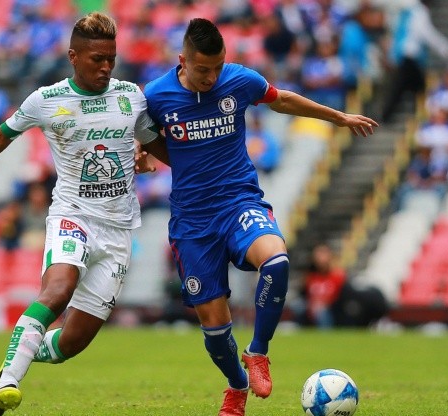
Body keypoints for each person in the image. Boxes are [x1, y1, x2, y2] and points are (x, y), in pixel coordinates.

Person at [0, 12, 159, 416]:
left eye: (111, 57)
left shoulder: (131, 96)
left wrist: (152, 155)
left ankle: (15, 354)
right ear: (73, 56)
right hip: (72, 215)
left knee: (71, 344)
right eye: (97, 59)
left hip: (119, 228)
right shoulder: (47, 100)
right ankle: (8, 381)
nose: (106, 66)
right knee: (57, 291)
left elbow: (154, 142)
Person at [142, 18, 377, 416]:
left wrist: (338, 118)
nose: (212, 77)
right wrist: (146, 155)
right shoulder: (156, 96)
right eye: (203, 70)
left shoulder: (238, 80)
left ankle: (259, 352)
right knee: (215, 330)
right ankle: (236, 386)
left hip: (239, 202)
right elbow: (148, 139)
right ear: (183, 60)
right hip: (193, 222)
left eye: (218, 67)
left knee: (277, 259)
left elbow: (282, 99)